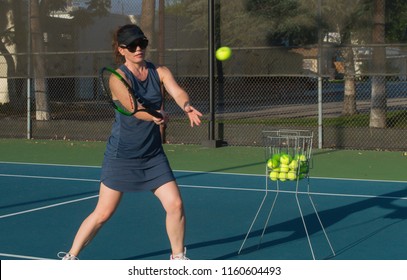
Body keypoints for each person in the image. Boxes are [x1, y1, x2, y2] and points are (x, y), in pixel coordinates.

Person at [58, 24, 202, 260]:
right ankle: (70, 258)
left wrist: (186, 106)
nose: (138, 49)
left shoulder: (160, 71)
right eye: (132, 46)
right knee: (103, 213)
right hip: (122, 154)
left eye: (142, 44)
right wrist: (156, 116)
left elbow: (177, 92)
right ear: (121, 50)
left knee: (175, 204)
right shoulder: (118, 77)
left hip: (153, 155)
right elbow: (134, 109)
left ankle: (178, 259)